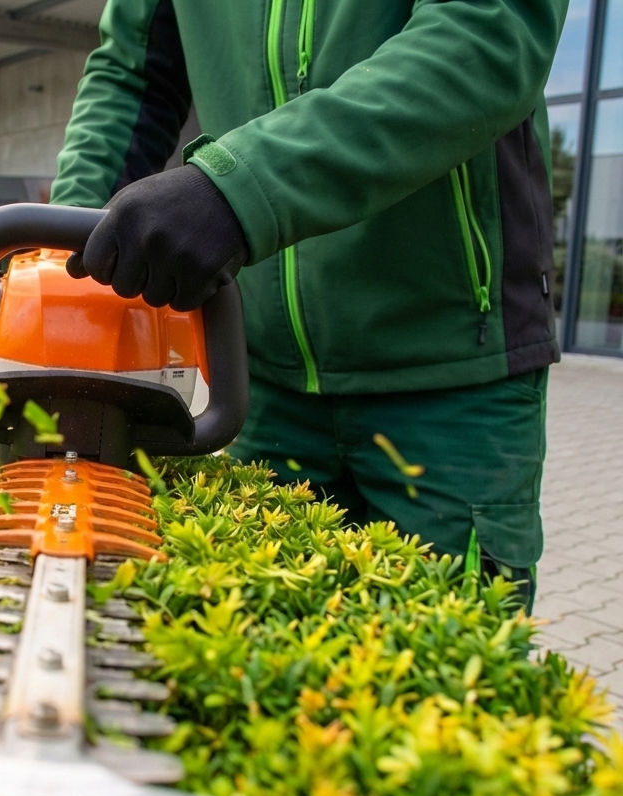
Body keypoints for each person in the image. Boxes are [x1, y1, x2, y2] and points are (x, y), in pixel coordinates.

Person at [50, 0, 566, 610]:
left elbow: (485, 34)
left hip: (449, 373)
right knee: (255, 645)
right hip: (264, 384)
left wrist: (241, 189)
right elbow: (134, 76)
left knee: (451, 652)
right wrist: (61, 257)